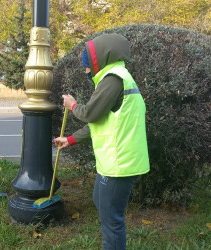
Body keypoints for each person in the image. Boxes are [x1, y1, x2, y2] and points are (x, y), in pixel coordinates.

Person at [54, 33, 150, 250]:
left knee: (112, 222)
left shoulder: (113, 79)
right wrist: (71, 139)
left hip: (120, 164)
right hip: (116, 162)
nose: (86, 71)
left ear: (100, 59)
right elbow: (103, 121)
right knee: (100, 201)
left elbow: (89, 114)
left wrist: (72, 105)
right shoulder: (118, 77)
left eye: (87, 65)